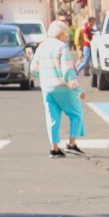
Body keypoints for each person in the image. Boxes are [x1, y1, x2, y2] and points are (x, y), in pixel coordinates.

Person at [31, 20, 85, 157]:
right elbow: (67, 71)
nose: (66, 37)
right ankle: (72, 144)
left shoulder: (41, 47)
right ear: (60, 34)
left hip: (47, 87)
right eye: (65, 34)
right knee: (76, 114)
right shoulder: (61, 47)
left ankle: (54, 148)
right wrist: (77, 89)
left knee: (52, 117)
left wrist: (44, 75)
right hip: (62, 87)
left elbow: (33, 69)